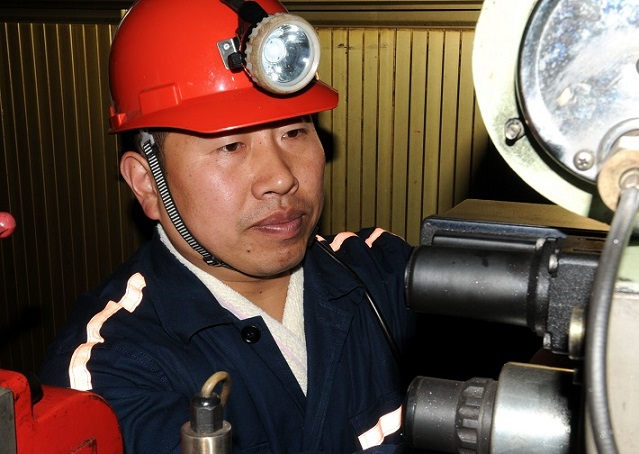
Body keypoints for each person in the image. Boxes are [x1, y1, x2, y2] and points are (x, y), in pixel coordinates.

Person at [40, 0, 415, 452]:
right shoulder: (108, 373)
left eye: (294, 132)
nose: (281, 177)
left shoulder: (381, 272)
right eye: (231, 146)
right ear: (148, 183)